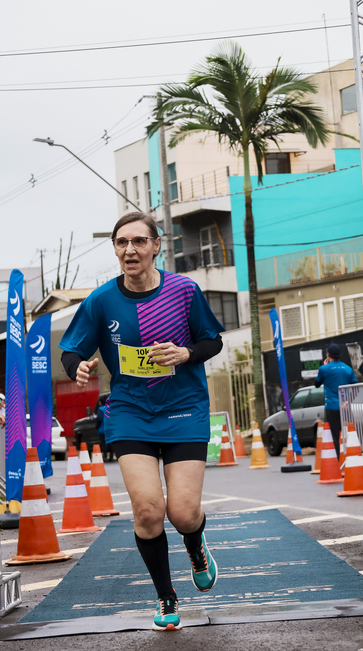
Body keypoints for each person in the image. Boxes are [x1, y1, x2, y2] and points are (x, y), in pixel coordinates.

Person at [59, 211, 224, 631]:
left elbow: (212, 340)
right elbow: (71, 350)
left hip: (184, 408)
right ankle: (167, 598)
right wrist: (77, 366)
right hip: (131, 411)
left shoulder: (183, 290)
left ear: (156, 246)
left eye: (138, 242)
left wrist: (187, 354)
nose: (129, 250)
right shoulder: (101, 300)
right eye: (121, 243)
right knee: (148, 510)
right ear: (115, 249)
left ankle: (195, 545)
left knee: (183, 513)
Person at [314, 343, 357, 459]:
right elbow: (356, 387)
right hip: (346, 407)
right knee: (350, 435)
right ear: (340, 355)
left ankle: (337, 462)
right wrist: (348, 400)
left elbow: (316, 384)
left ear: (328, 354)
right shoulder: (347, 369)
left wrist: (324, 366)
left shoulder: (324, 369)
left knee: (334, 436)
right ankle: (353, 460)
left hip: (331, 407)